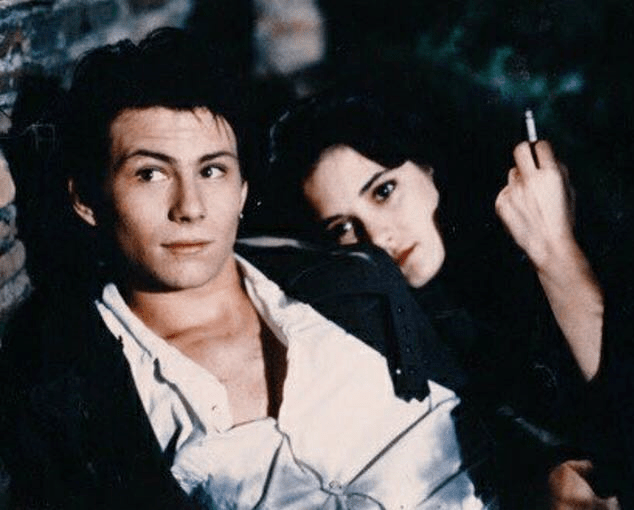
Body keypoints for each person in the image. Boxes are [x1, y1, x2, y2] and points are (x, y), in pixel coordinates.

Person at [0, 29, 499, 509]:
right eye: (151, 173)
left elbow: (497, 403)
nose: (190, 207)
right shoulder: (75, 387)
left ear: (241, 190)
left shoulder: (354, 280)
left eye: (212, 170)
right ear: (87, 200)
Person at [264, 88, 634, 508]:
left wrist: (555, 250)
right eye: (343, 228)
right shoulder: (392, 338)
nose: (378, 236)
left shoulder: (539, 235)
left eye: (384, 191)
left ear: (426, 167)